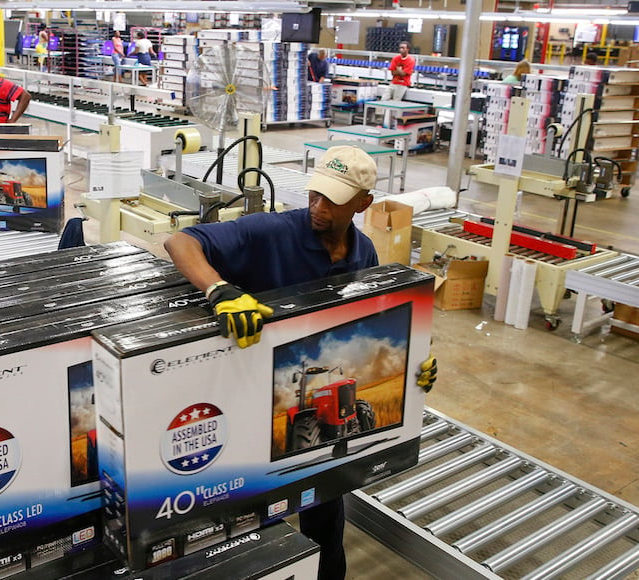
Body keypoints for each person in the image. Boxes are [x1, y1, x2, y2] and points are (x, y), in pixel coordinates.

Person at [164, 145, 438, 580]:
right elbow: (180, 241)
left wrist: (413, 362)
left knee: (326, 512)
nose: (318, 206)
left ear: (363, 204)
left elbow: (367, 322)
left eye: (333, 199)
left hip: (323, 404)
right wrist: (219, 291)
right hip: (249, 395)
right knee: (248, 523)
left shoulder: (363, 253)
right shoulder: (271, 232)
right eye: (315, 193)